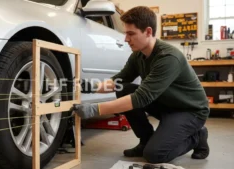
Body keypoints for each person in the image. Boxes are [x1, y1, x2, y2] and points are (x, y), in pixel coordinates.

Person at [73, 6, 210, 163]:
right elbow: (120, 80)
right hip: (166, 104)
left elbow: (141, 98)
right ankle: (145, 140)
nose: (126, 39)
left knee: (155, 155)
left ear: (148, 32)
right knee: (124, 89)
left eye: (131, 34)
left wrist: (95, 109)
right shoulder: (138, 55)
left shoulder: (168, 57)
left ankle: (198, 136)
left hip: (190, 111)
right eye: (126, 34)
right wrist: (90, 86)